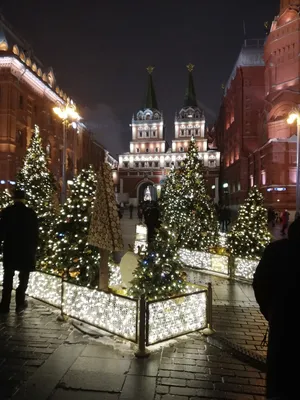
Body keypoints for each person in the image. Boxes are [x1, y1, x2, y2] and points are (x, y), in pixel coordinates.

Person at [253, 219, 300, 399]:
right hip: (282, 318)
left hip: (282, 321)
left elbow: (260, 283)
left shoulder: (276, 251)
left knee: (279, 376)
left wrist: (270, 311)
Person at [0, 190, 39, 314]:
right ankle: (20, 303)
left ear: (13, 198)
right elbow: (35, 234)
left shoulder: (6, 212)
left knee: (8, 277)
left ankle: (5, 305)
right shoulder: (31, 213)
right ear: (24, 199)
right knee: (23, 278)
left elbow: (1, 232)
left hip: (10, 249)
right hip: (26, 251)